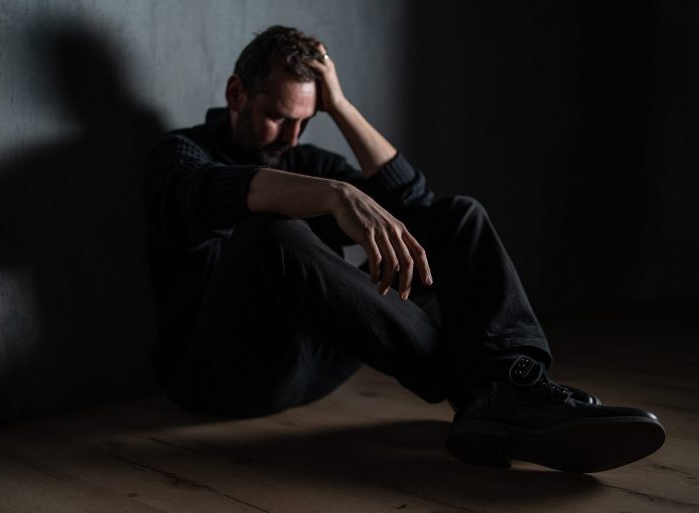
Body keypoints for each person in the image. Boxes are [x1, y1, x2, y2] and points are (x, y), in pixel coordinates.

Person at [145, 25, 665, 473]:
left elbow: (413, 204)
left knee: (457, 215)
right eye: (280, 117)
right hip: (221, 376)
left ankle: (510, 380)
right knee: (270, 231)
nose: (293, 136)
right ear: (237, 94)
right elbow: (208, 194)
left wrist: (341, 106)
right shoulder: (181, 153)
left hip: (316, 363)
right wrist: (333, 195)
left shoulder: (306, 156)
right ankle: (491, 394)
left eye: (308, 120)